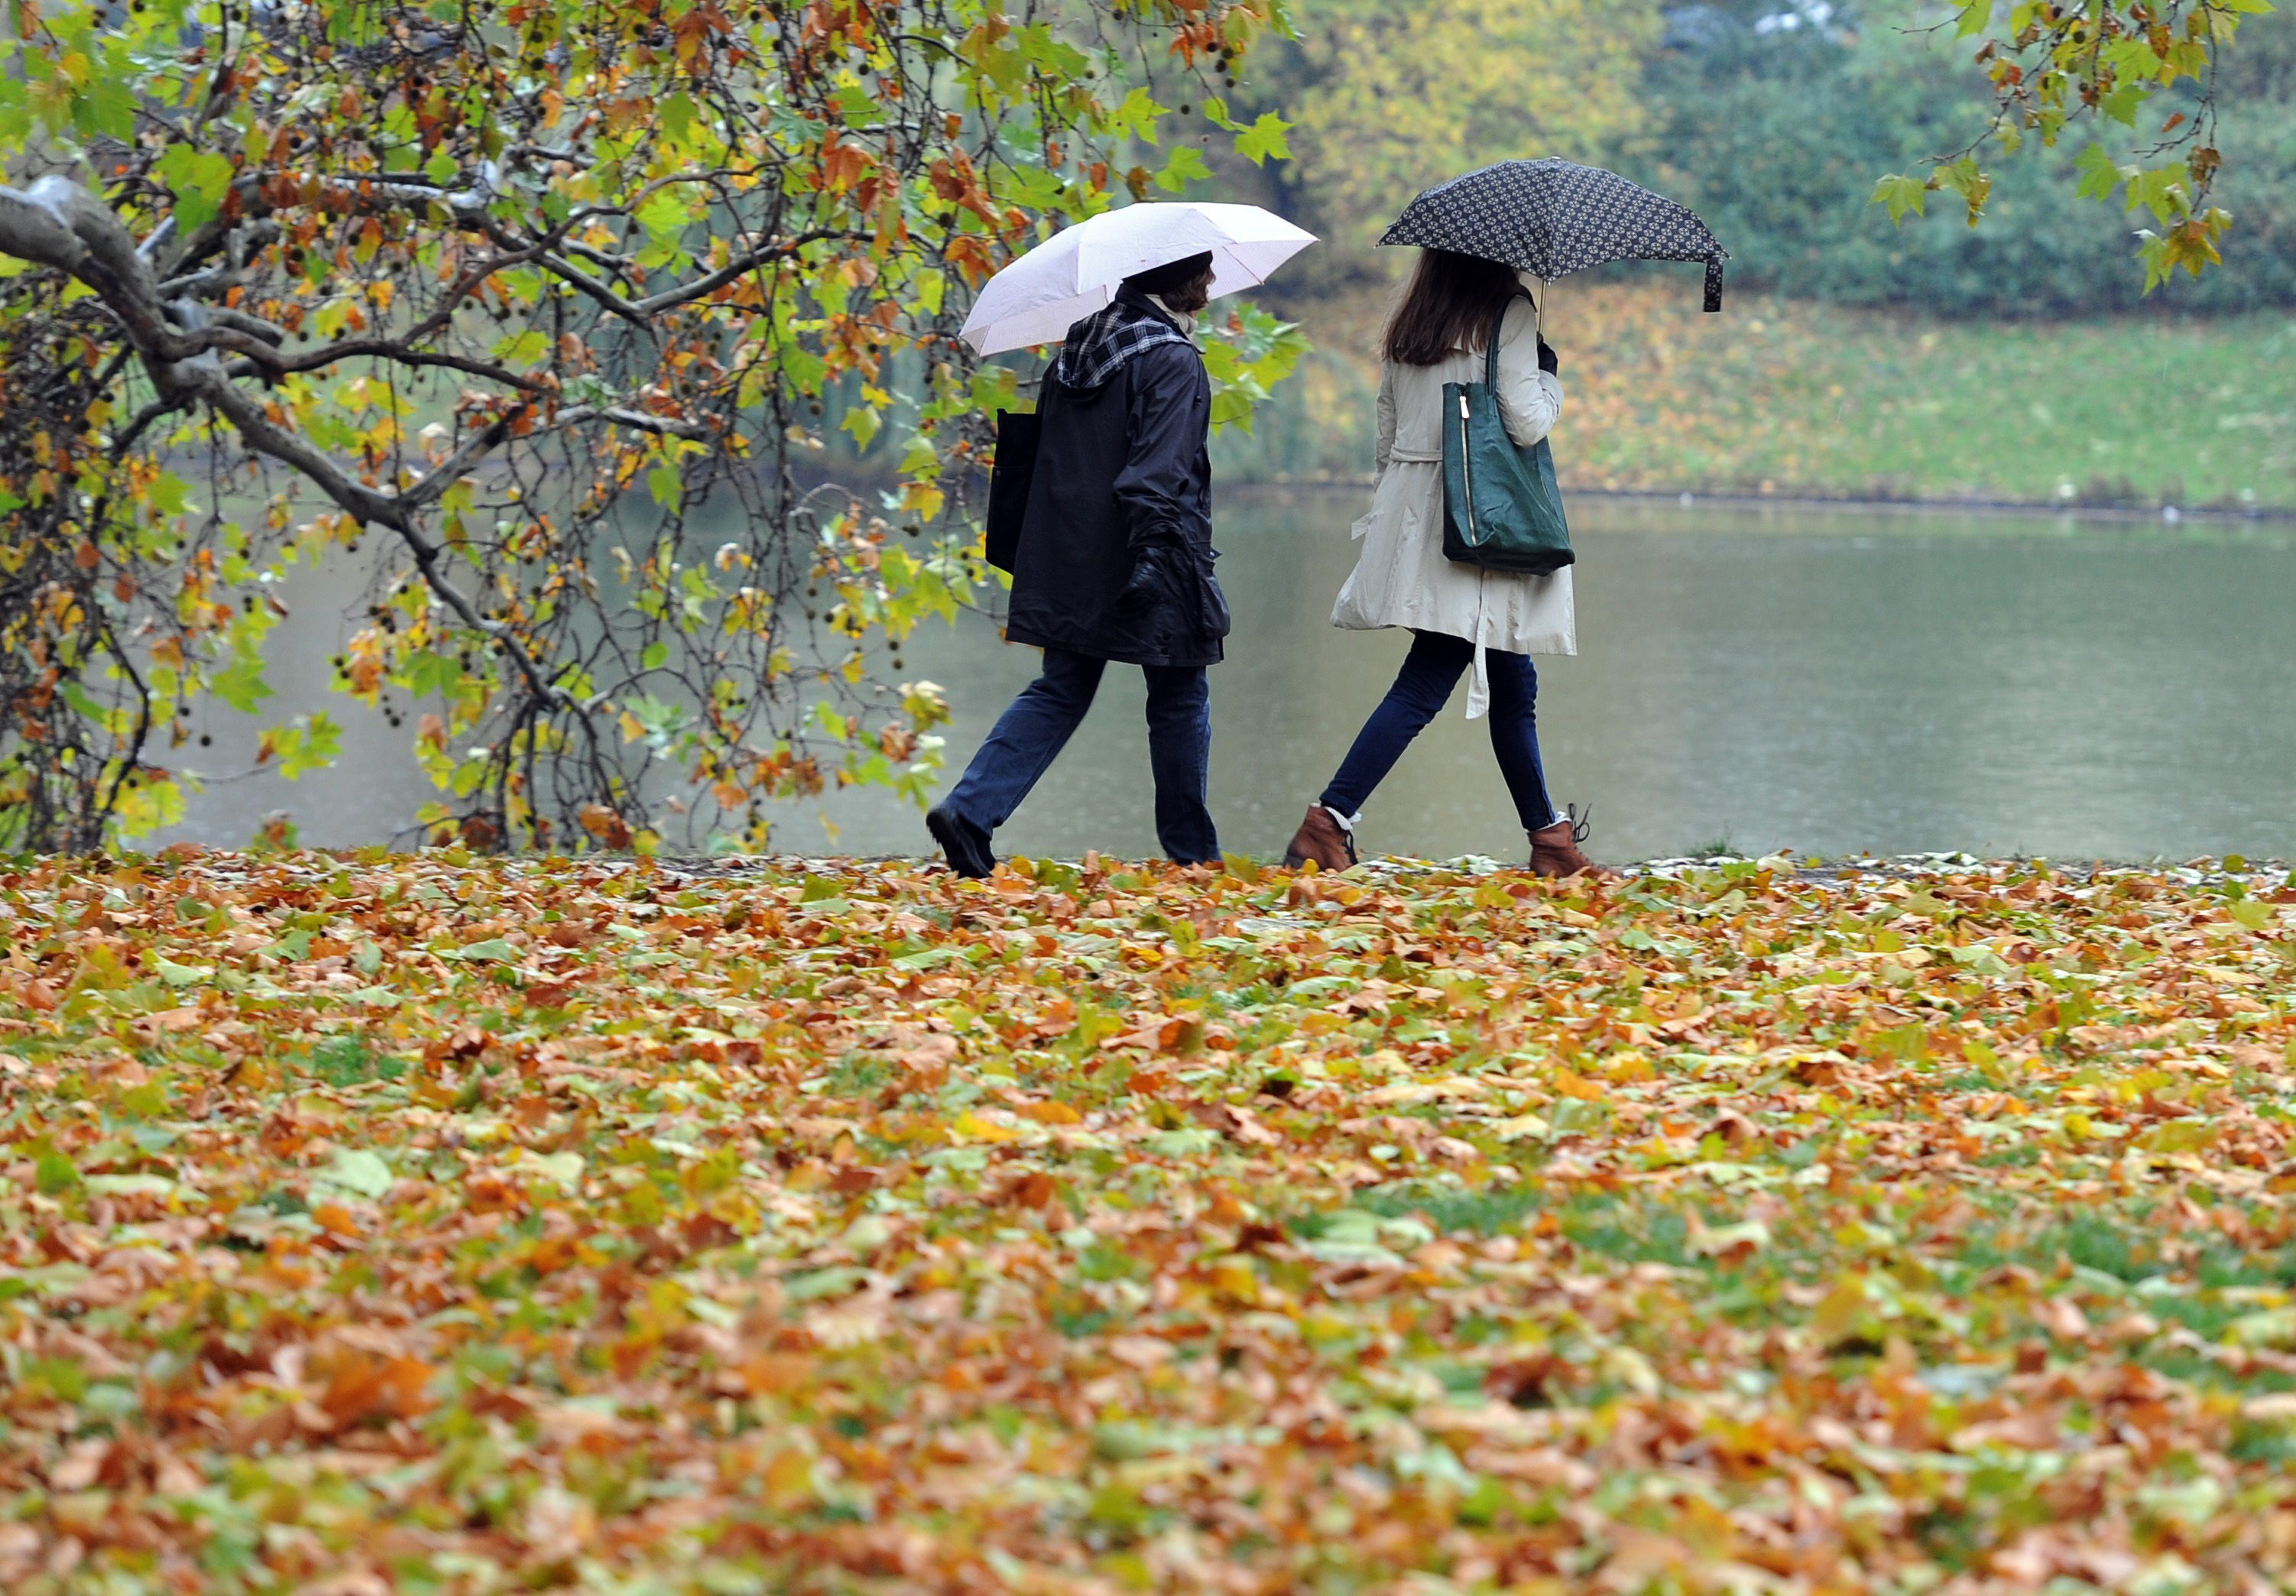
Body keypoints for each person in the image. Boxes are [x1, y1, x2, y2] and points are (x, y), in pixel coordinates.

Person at [1280, 248, 1602, 878]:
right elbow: (1527, 421)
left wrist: (1398, 511)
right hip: (1481, 519)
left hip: (1419, 512)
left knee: (1512, 680)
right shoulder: (1507, 310)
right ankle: (1328, 820)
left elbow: (1386, 429)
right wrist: (1549, 378)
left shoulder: (1413, 320)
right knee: (1429, 677)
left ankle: (1550, 842)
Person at [928, 252, 1228, 878]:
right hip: (1149, 549)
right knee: (1179, 694)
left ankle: (969, 810)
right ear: (1172, 281)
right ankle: (1192, 856)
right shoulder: (1171, 360)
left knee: (1062, 688)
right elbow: (1157, 471)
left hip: (1066, 551)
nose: (1211, 282)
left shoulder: (1077, 350)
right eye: (1202, 271)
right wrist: (1155, 557)